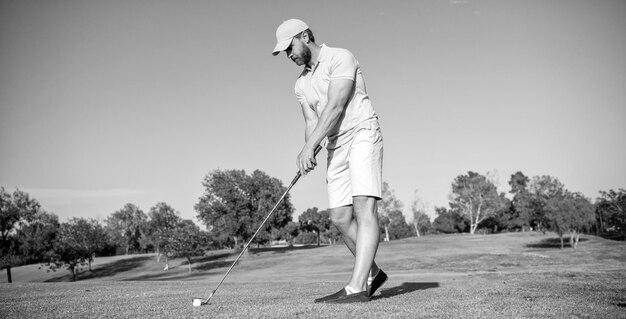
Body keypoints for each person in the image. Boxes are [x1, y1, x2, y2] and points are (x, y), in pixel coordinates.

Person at [272, 19, 387, 304]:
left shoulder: (340, 57)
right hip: (336, 145)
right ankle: (373, 273)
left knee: (363, 206)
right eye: (285, 52)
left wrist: (310, 146)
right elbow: (312, 122)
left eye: (290, 47)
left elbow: (336, 105)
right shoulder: (301, 83)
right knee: (339, 217)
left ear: (305, 35)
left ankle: (357, 287)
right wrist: (307, 151)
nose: (289, 55)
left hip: (362, 132)